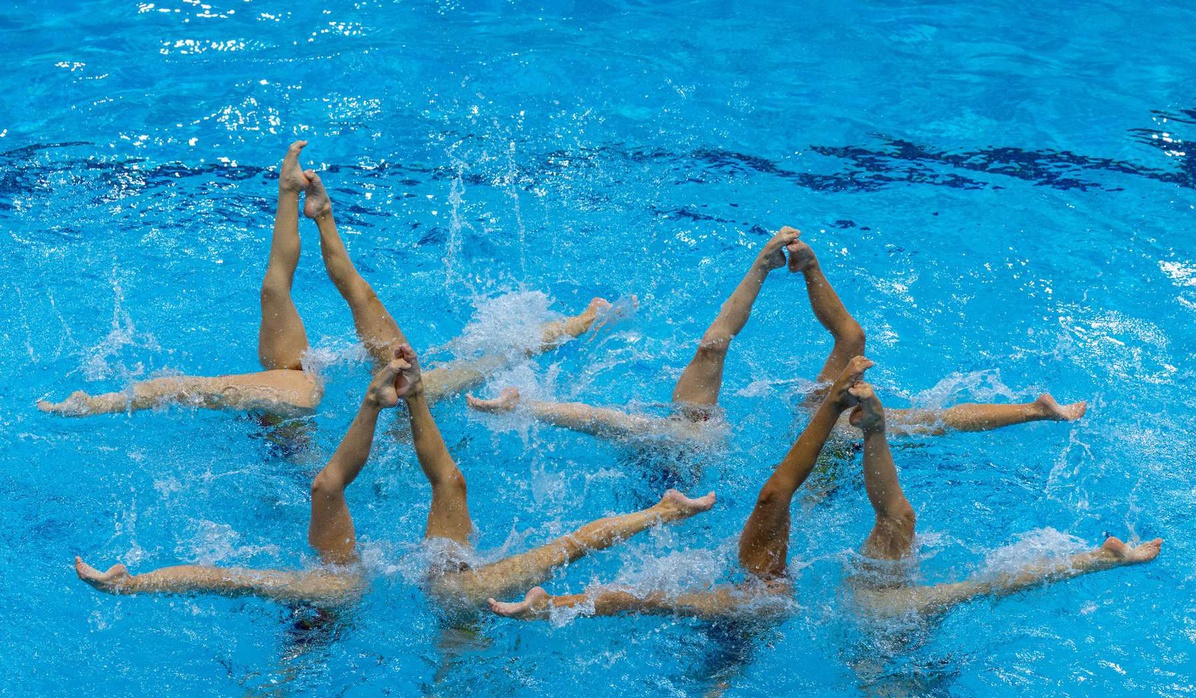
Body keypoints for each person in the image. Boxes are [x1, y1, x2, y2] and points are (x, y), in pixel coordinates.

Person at [487, 360, 1159, 621]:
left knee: (869, 511)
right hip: (826, 576)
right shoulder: (784, 595)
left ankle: (563, 599)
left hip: (810, 558)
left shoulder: (763, 592)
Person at [74, 345, 716, 612]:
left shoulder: (418, 589)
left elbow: (227, 575)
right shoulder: (433, 584)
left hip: (430, 602)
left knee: (341, 497)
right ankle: (664, 511)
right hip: (425, 594)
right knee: (349, 491)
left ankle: (137, 586)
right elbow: (572, 543)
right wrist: (396, 401)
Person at [38, 141, 606, 418]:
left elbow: (507, 353)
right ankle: (296, 199)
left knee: (325, 368)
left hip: (324, 424)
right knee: (305, 330)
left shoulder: (425, 392)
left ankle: (314, 211)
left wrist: (580, 324)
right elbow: (354, 291)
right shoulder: (331, 389)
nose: (402, 359)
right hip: (297, 434)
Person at [467, 229, 1087, 442]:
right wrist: (778, 266)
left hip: (805, 459)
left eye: (856, 380)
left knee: (917, 420)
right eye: (855, 378)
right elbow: (845, 334)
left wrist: (813, 268)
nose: (862, 375)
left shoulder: (850, 425)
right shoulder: (705, 428)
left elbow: (942, 415)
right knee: (689, 388)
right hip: (694, 452)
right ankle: (526, 406)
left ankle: (1034, 410)